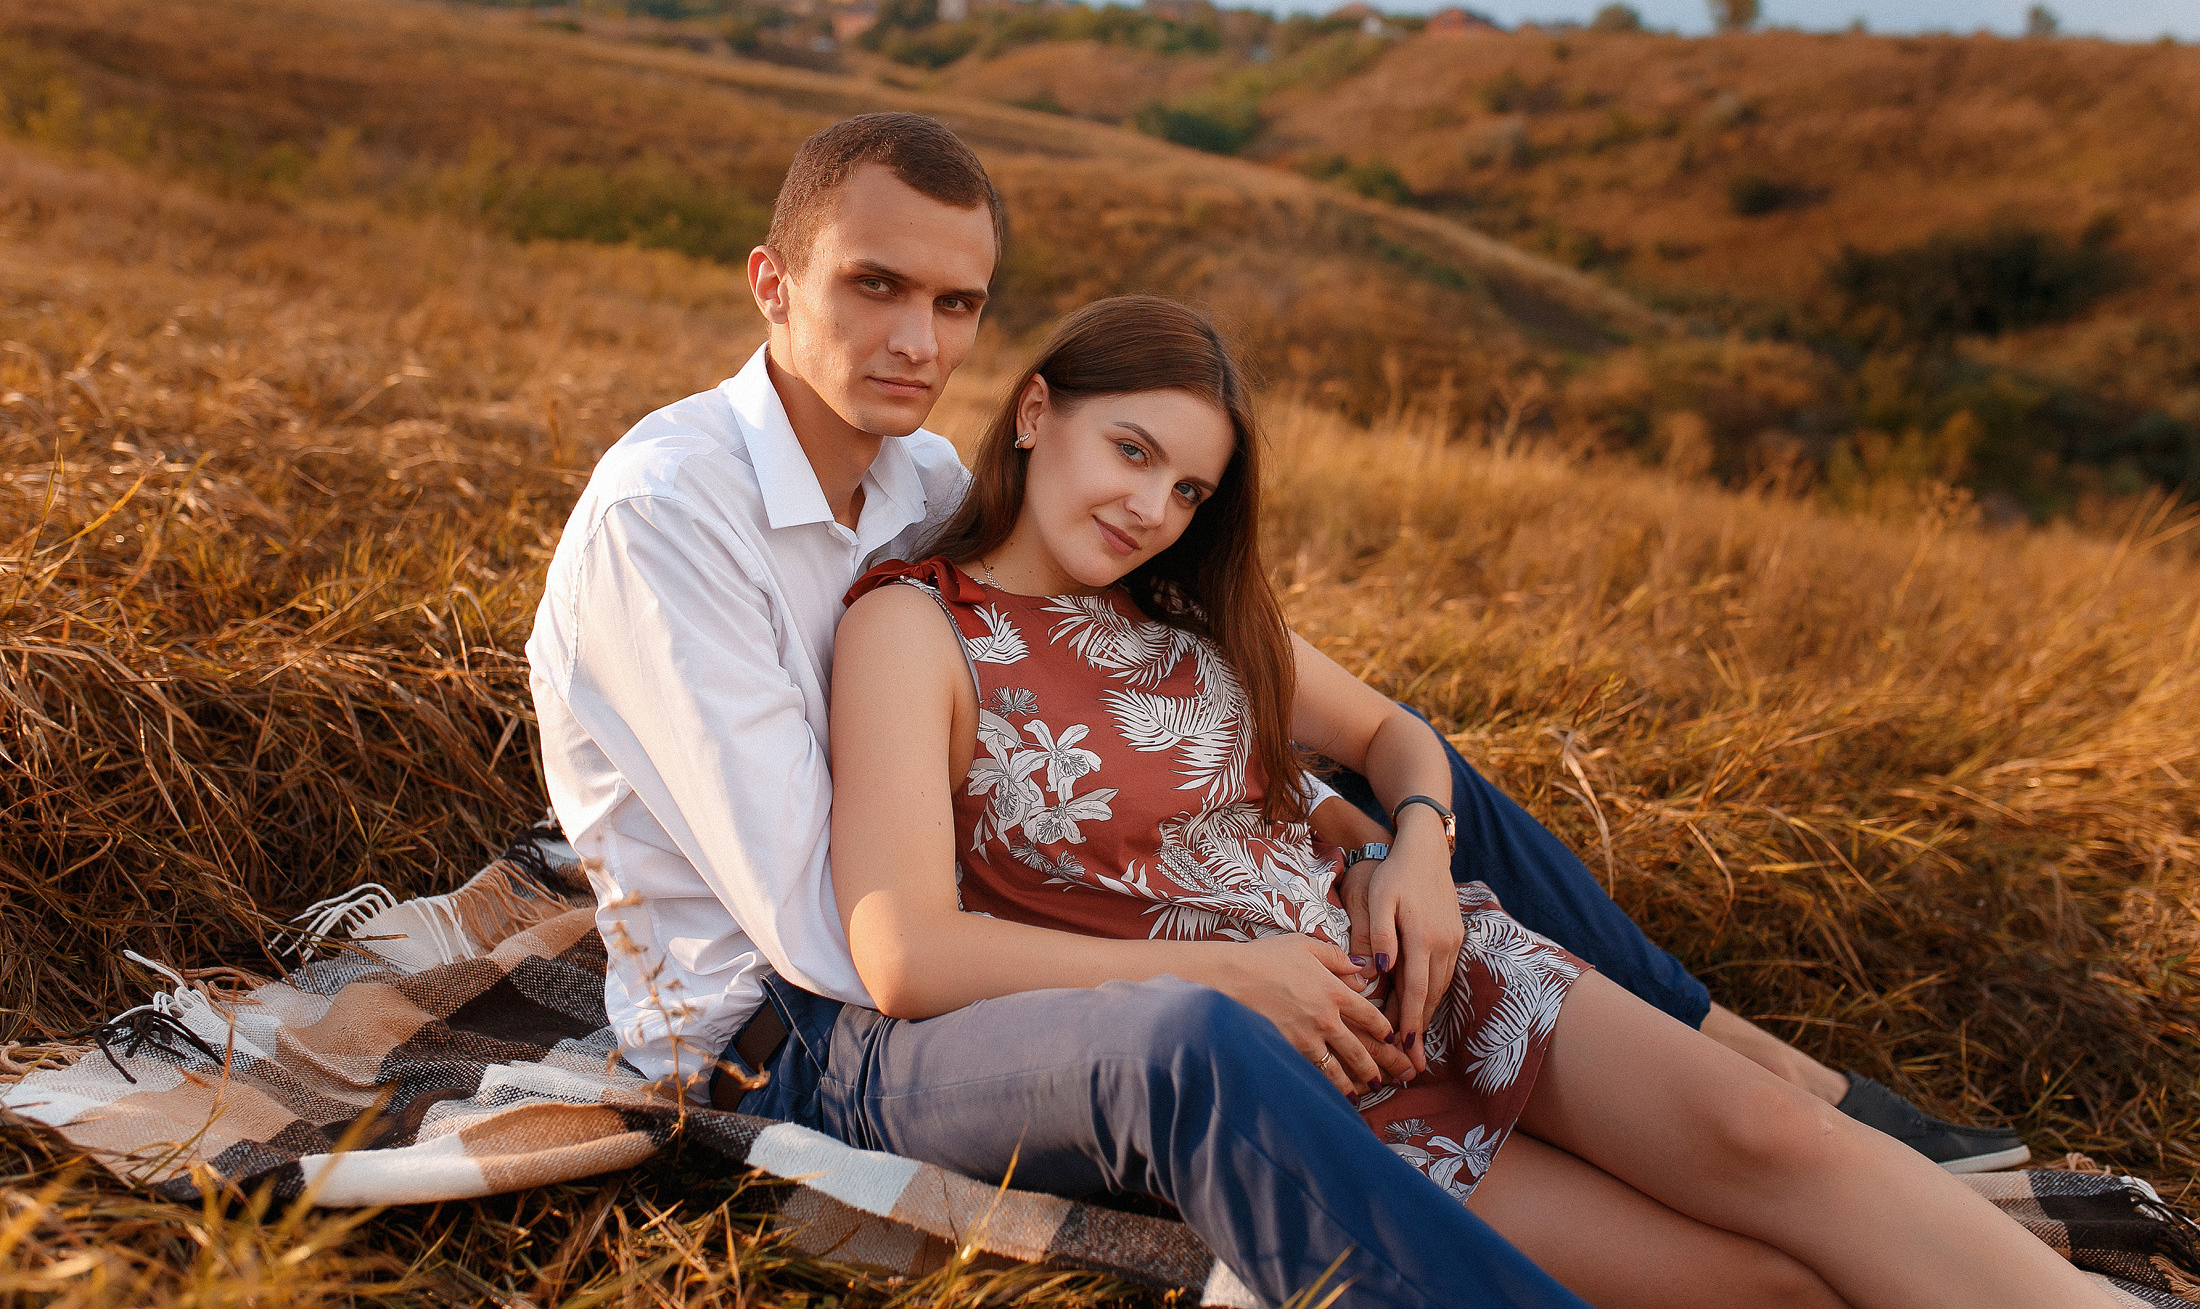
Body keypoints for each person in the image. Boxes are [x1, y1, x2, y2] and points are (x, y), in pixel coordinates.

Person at [523, 112, 2018, 1307]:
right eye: (876, 285)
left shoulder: (916, 475)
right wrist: (1218, 925)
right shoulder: (678, 520)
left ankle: (1769, 1075)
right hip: (794, 1020)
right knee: (1202, 1033)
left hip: (1121, 921)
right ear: (774, 283)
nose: (919, 337)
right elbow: (847, 936)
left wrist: (1351, 830)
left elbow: (1118, 683)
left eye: (956, 301)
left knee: (1432, 789)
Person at [825, 295, 2110, 1309]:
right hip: (1306, 1075)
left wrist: (1419, 851)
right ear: (1038, 409)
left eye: (1188, 489)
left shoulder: (1191, 604)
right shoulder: (918, 627)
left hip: (1434, 962)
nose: (1151, 509)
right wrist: (1227, 977)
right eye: (1133, 450)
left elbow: (1391, 734)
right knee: (1766, 1285)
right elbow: (904, 952)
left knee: (1773, 1139)